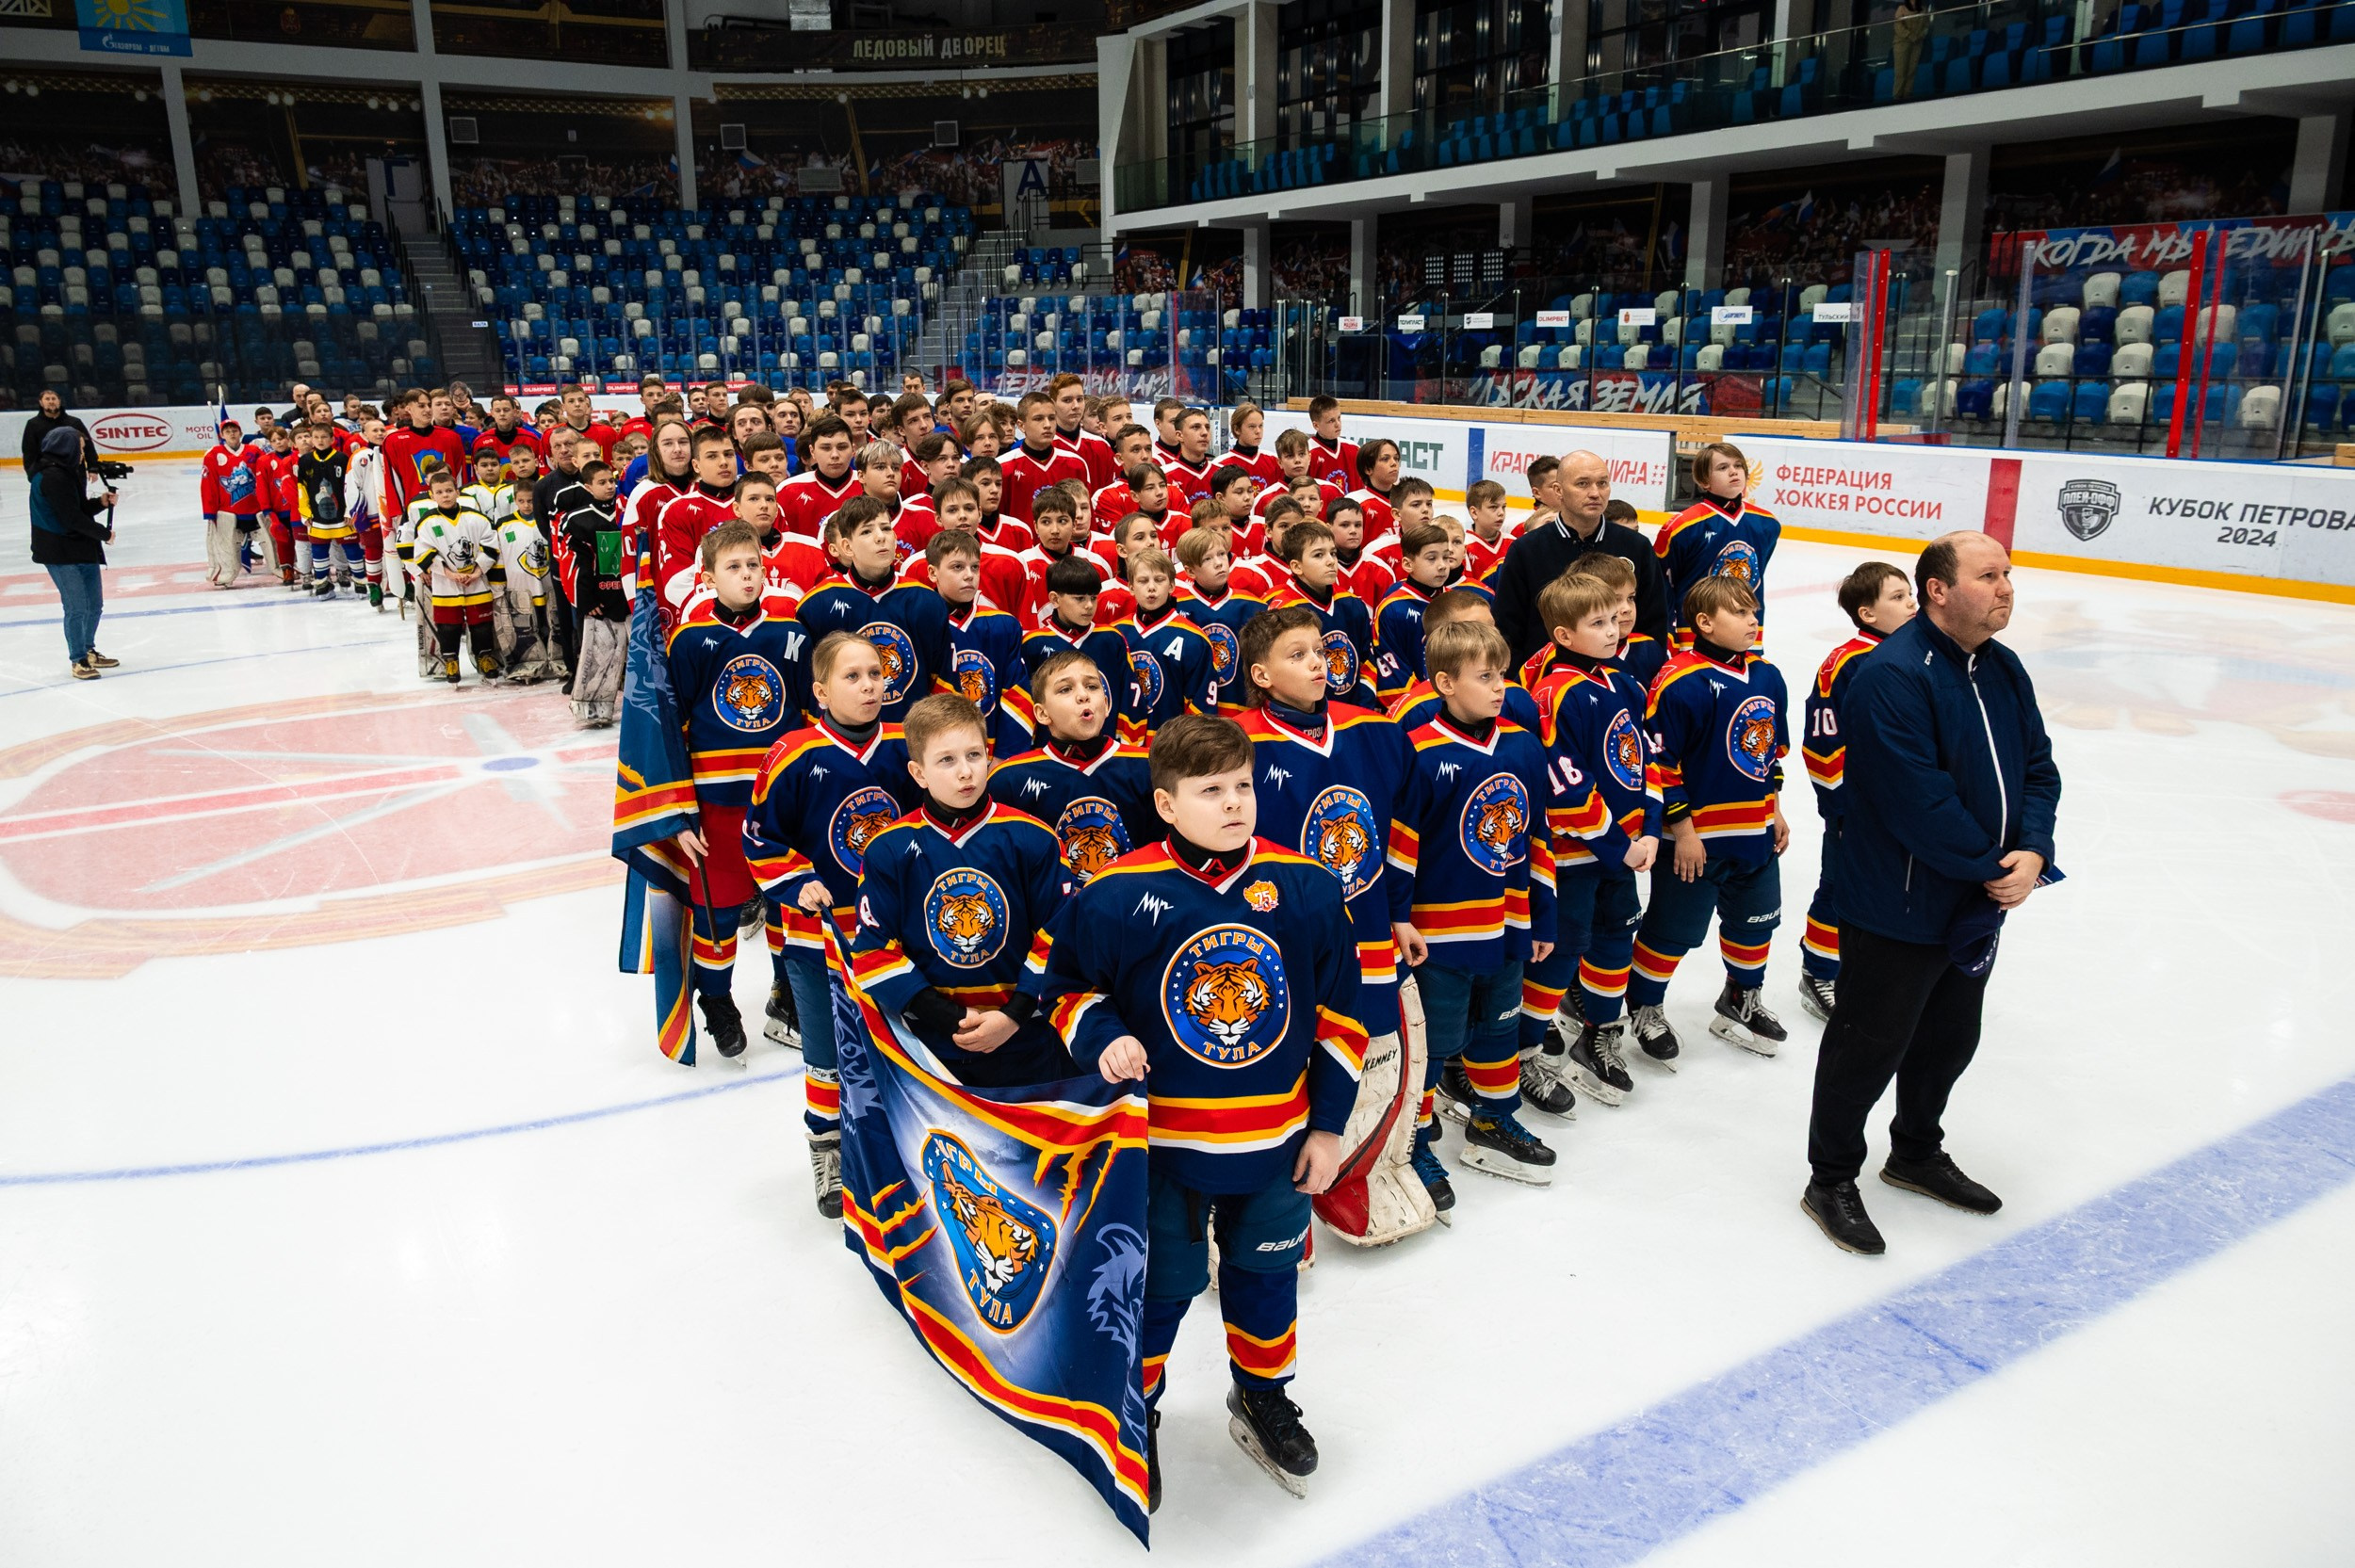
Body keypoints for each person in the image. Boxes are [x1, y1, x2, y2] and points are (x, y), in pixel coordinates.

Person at [1036, 713, 1366, 1508]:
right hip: (1164, 1147)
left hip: (1276, 1140)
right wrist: (1104, 1032)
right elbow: (1065, 990)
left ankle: (1261, 1394)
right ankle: (1133, 1410)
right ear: (1166, 803)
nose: (1233, 803)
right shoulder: (1115, 891)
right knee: (1160, 1289)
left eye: (1244, 786)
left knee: (1266, 1273)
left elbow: (1345, 1013)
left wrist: (1328, 1126)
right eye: (1210, 790)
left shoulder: (1306, 886)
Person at [1802, 532, 2060, 1256]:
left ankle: (1915, 1150)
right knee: (1867, 1045)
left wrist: (2032, 851)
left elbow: (2039, 769)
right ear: (1939, 590)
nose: (2008, 586)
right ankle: (1831, 1177)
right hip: (1899, 900)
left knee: (1950, 1038)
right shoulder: (1890, 674)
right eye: (1990, 575)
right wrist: (1996, 866)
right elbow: (1914, 798)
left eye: (2010, 572)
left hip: (1978, 898)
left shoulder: (2002, 668)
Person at [1391, 619, 1565, 1202]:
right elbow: (1402, 844)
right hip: (1439, 933)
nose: (1500, 687)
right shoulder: (1418, 750)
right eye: (1484, 677)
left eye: (1503, 674)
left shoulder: (1521, 741)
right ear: (1443, 682)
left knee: (1500, 1028)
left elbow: (1537, 834)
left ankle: (1492, 1120)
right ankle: (1411, 1140)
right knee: (1434, 1042)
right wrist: (1399, 916)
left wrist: (1542, 913)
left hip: (1507, 921)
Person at [745, 632, 917, 1212]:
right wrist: (796, 880)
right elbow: (760, 837)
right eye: (853, 677)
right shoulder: (792, 753)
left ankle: (897, 1147)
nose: (871, 685)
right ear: (820, 691)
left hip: (891, 936)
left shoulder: (905, 747)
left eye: (876, 673)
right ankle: (829, 1150)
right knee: (825, 1050)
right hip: (815, 936)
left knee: (896, 1044)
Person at [851, 693, 1073, 1087]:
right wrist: (948, 1017)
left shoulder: (1033, 838)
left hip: (1027, 1039)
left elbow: (1060, 935)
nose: (966, 772)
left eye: (973, 755)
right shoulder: (888, 848)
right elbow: (873, 950)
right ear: (918, 773)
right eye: (947, 760)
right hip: (929, 1045)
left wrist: (1014, 1015)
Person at [665, 519, 814, 1061]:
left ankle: (787, 994)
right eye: (734, 567)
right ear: (707, 578)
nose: (748, 575)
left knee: (786, 903)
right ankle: (717, 999)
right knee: (720, 911)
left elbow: (808, 713)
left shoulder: (790, 632)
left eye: (753, 565)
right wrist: (680, 810)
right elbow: (671, 730)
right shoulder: (689, 640)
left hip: (777, 801)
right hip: (716, 805)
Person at [1625, 577, 1791, 1064]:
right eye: (1740, 613)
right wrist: (1684, 833)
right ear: (1704, 622)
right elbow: (1659, 767)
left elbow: (1769, 754)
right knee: (1673, 931)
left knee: (1757, 921)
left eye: (1754, 611)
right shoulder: (1679, 681)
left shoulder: (1767, 675)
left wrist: (1776, 812)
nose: (1753, 620)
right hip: (1695, 844)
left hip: (1755, 835)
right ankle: (1645, 1005)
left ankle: (1741, 996)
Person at [1520, 573, 1659, 1112]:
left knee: (1616, 939)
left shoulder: (1624, 683)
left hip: (1624, 849)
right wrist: (1619, 845)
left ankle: (1598, 1032)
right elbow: (1566, 785)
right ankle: (1526, 1048)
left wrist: (1648, 828)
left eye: (1616, 616)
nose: (1613, 628)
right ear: (1563, 635)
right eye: (1597, 622)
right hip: (1576, 856)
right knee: (1562, 951)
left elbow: (1643, 765)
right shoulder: (1556, 695)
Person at [1796, 561, 1916, 1022]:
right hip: (1860, 809)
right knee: (1841, 885)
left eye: (1910, 595)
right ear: (1867, 614)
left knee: (1887, 887)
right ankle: (1819, 971)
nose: (1911, 605)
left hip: (1901, 806)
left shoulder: (1911, 652)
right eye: (1898, 598)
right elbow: (1823, 744)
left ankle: (1864, 967)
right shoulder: (1848, 662)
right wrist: (1844, 808)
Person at [1491, 450, 1669, 671]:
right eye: (1583, 484)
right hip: (1547, 684)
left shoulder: (1637, 546)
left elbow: (1656, 623)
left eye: (1602, 483)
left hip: (1622, 682)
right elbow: (1508, 629)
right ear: (1559, 491)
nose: (1595, 493)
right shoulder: (1526, 550)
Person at [988, 650, 1158, 880]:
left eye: (1092, 686)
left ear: (1107, 704)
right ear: (1042, 713)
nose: (1083, 696)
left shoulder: (1149, 766)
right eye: (1065, 689)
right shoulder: (1008, 779)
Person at [797, 495, 953, 724]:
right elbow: (812, 685)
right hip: (844, 742)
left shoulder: (926, 601)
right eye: (867, 532)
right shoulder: (816, 605)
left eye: (886, 528)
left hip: (912, 736)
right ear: (846, 547)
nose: (881, 537)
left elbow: (942, 678)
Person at [1657, 442, 1778, 650]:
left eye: (1738, 466)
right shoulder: (1681, 527)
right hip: (1696, 634)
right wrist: (1668, 635)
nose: (1733, 472)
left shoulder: (1767, 524)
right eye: (1723, 468)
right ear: (1704, 480)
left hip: (1746, 634)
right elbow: (1661, 587)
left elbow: (1755, 576)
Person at [28, 425, 117, 680]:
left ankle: (89, 650)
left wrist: (99, 503)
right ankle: (78, 658)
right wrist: (104, 534)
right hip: (59, 549)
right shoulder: (52, 477)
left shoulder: (67, 473)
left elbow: (77, 510)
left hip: (80, 545)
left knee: (94, 604)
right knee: (77, 606)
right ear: (65, 448)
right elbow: (70, 518)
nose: (83, 454)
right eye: (79, 448)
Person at [1113, 548, 1215, 738]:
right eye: (1143, 581)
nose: (1151, 587)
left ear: (1171, 585)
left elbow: (1202, 706)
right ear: (1131, 587)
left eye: (1159, 580)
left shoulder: (1195, 639)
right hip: (1124, 747)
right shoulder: (1116, 634)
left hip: (1172, 747)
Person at [562, 460, 630, 727]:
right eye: (602, 483)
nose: (609, 487)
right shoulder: (577, 519)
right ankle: (593, 708)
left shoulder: (628, 511)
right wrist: (585, 600)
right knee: (599, 653)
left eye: (612, 481)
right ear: (587, 486)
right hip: (599, 599)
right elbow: (573, 562)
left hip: (630, 595)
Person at [1372, 519, 1455, 698]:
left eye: (1446, 557)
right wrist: (1425, 700)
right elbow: (1392, 667)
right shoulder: (1393, 609)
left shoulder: (1455, 601)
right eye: (1432, 558)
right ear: (1408, 564)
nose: (1442, 565)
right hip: (1416, 703)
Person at [202, 416, 263, 589]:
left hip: (256, 509)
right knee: (225, 544)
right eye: (227, 431)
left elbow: (265, 478)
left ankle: (281, 567)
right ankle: (225, 572)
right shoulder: (213, 455)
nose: (232, 434)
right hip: (228, 511)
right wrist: (209, 511)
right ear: (222, 435)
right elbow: (208, 485)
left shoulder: (254, 451)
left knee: (270, 539)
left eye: (234, 430)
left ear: (241, 432)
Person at [21, 389, 92, 483]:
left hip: (75, 472)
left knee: (78, 497)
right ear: (41, 403)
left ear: (59, 401)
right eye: (47, 399)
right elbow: (29, 451)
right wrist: (31, 472)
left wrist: (93, 467)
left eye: (54, 399)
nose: (51, 402)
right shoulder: (33, 424)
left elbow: (88, 446)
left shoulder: (74, 422)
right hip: (47, 473)